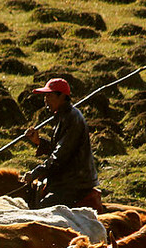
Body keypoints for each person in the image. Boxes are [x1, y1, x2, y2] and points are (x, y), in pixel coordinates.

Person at [21, 78, 99, 209]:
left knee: (44, 209)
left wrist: (35, 173)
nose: (45, 100)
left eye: (49, 96)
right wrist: (38, 141)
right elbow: (58, 148)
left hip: (75, 183)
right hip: (67, 180)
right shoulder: (63, 116)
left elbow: (60, 156)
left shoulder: (72, 118)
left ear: (62, 96)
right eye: (45, 96)